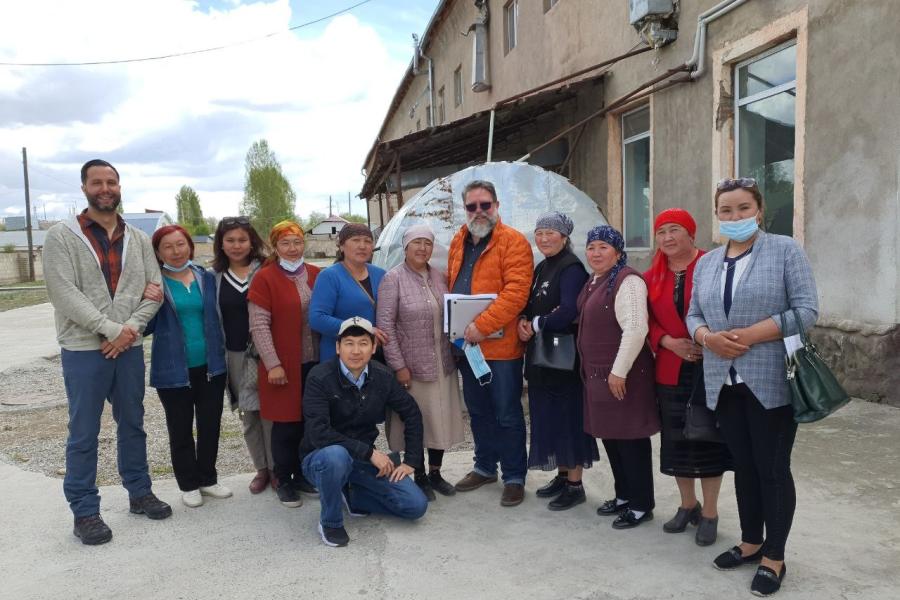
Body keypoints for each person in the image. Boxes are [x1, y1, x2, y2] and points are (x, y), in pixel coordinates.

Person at [686, 178, 818, 596]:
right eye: (726, 210)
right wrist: (707, 337)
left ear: (758, 210)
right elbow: (693, 315)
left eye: (743, 208)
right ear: (718, 215)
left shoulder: (784, 250)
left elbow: (806, 310)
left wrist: (748, 335)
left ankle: (774, 556)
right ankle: (750, 540)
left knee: (772, 468)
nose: (735, 217)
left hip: (770, 379)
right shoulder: (707, 262)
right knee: (743, 465)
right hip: (721, 381)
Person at [43, 159, 171, 545]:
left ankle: (139, 490)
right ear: (84, 188)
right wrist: (112, 329)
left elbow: (155, 288)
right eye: (96, 182)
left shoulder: (137, 237)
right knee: (83, 431)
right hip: (84, 349)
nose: (105, 188)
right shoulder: (61, 237)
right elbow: (63, 293)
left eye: (111, 181)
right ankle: (85, 510)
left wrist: (128, 332)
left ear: (119, 187)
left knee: (133, 423)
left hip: (127, 348)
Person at [301, 317, 428, 547]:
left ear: (373, 347)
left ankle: (353, 495)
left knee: (415, 506)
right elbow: (319, 432)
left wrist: (411, 461)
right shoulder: (319, 377)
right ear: (338, 347)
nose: (356, 351)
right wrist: (369, 453)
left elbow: (411, 412)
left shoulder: (382, 376)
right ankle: (330, 521)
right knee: (336, 456)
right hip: (320, 458)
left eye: (363, 343)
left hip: (361, 460)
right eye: (349, 343)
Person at [645, 208, 731, 545]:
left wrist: (702, 339)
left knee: (708, 438)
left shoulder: (712, 265)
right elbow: (646, 319)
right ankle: (687, 504)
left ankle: (710, 511)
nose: (667, 237)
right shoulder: (652, 275)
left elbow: (728, 306)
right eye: (661, 231)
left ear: (691, 233)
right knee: (676, 439)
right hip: (669, 366)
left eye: (675, 229)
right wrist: (667, 342)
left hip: (708, 366)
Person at [447, 180, 533, 507]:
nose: (479, 211)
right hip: (468, 349)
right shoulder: (459, 240)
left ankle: (514, 476)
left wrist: (480, 326)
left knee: (507, 413)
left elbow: (516, 293)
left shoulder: (513, 242)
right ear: (465, 209)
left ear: (496, 205)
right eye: (472, 206)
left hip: (501, 350)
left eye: (485, 205)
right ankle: (484, 467)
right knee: (479, 412)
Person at [577, 225, 659, 529]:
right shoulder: (595, 281)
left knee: (631, 439)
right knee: (612, 437)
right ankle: (624, 495)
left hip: (623, 376)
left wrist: (618, 371)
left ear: (618, 252)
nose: (596, 253)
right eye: (591, 247)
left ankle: (641, 505)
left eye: (603, 247)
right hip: (600, 376)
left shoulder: (629, 282)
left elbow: (636, 329)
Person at [376, 224, 465, 500]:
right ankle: (420, 475)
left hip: (442, 362)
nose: (422, 248)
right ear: (406, 247)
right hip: (412, 366)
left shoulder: (439, 276)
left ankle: (436, 473)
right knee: (417, 422)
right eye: (417, 243)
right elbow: (385, 327)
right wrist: (399, 366)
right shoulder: (393, 279)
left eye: (427, 243)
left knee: (439, 421)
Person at [517, 212, 599, 511]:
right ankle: (563, 475)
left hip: (564, 360)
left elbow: (568, 311)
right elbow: (529, 304)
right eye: (539, 233)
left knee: (568, 418)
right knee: (550, 417)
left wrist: (536, 324)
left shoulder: (571, 268)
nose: (544, 238)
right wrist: (524, 321)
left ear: (565, 237)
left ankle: (575, 484)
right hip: (542, 357)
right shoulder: (543, 267)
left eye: (551, 232)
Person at [146, 225, 230, 509]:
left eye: (180, 244)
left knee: (210, 425)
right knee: (180, 429)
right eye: (167, 247)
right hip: (173, 370)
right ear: (158, 252)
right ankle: (188, 483)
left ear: (190, 246)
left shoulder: (205, 278)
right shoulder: (155, 283)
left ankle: (208, 478)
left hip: (211, 367)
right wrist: (145, 299)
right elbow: (145, 326)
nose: (176, 251)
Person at [248, 220, 321, 507]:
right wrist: (273, 363)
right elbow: (259, 325)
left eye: (297, 242)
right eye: (285, 243)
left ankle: (303, 473)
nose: (293, 248)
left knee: (309, 422)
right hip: (283, 365)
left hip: (315, 363)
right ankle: (284, 479)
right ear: (275, 247)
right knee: (285, 425)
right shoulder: (265, 278)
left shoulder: (316, 274)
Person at [210, 216, 271, 494]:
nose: (237, 245)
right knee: (249, 414)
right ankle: (261, 469)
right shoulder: (214, 278)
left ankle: (279, 467)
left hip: (269, 352)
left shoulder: (268, 269)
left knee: (273, 412)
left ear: (252, 241)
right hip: (235, 354)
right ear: (221, 244)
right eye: (230, 240)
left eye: (242, 240)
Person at [309, 223, 387, 362]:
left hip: (374, 355)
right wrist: (363, 328)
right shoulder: (330, 276)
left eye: (367, 241)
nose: (362, 246)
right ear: (342, 246)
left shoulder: (381, 274)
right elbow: (317, 318)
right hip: (339, 357)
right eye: (356, 240)